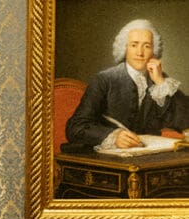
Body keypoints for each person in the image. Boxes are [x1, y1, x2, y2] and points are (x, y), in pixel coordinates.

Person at [65, 19, 189, 150]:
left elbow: (185, 121)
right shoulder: (105, 79)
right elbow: (75, 127)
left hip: (149, 156)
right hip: (110, 158)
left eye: (147, 46)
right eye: (134, 45)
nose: (140, 53)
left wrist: (161, 83)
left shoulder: (160, 81)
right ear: (124, 48)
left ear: (154, 51)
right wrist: (113, 137)